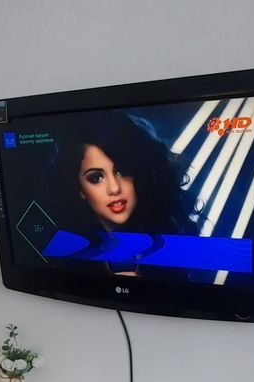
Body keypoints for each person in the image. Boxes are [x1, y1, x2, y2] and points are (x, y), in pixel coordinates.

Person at [44, 110, 192, 277]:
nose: (114, 188)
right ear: (80, 189)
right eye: (96, 178)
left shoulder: (170, 240)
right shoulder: (68, 254)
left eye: (122, 171)